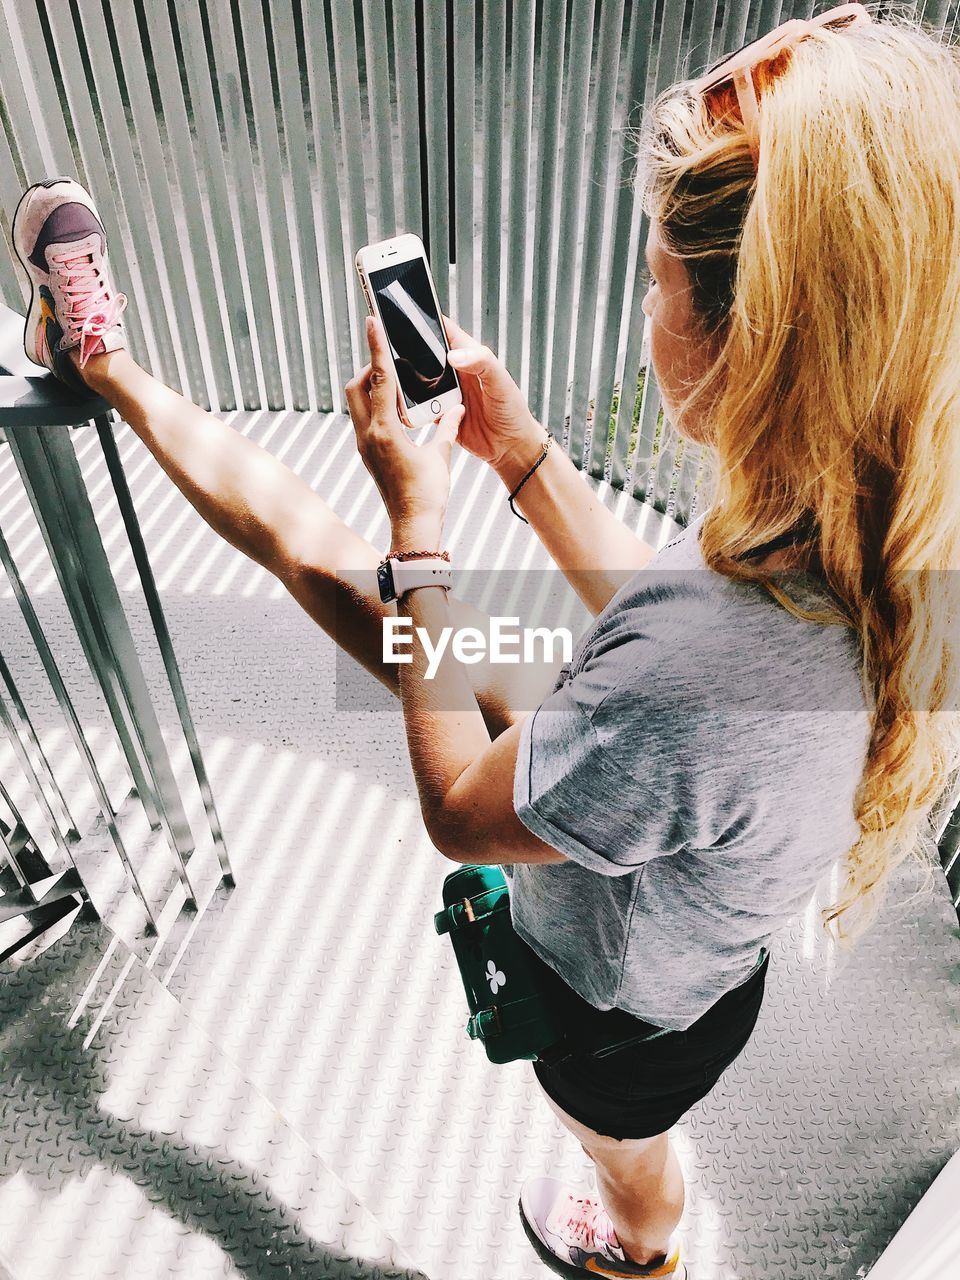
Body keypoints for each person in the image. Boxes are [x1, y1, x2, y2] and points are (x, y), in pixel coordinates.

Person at [10, 7, 960, 1276]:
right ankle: (105, 363)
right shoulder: (883, 508)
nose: (646, 302)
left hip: (616, 1015)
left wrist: (421, 525)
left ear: (764, 345)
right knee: (325, 569)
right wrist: (520, 457)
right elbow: (671, 612)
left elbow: (461, 808)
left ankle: (640, 1247)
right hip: (682, 884)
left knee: (621, 1151)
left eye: (658, 280)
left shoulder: (700, 674)